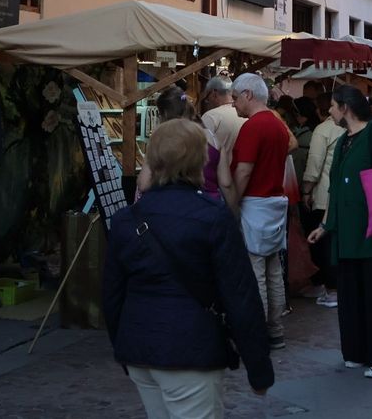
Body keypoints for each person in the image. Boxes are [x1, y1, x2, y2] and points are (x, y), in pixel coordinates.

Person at [104, 120, 273, 416]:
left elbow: (112, 294)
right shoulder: (213, 217)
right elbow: (241, 296)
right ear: (199, 159)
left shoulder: (126, 219)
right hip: (190, 347)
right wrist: (259, 369)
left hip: (141, 346)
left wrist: (123, 345)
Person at [306, 86, 372, 378]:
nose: (329, 111)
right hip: (349, 235)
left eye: (332, 106)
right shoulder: (343, 142)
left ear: (346, 108)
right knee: (353, 294)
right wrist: (325, 225)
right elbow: (335, 187)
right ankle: (357, 350)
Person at [229, 73, 291, 349]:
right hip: (275, 203)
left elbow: (243, 171)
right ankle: (275, 330)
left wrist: (232, 203)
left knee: (256, 273)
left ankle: (258, 335)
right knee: (273, 270)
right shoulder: (278, 126)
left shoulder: (253, 127)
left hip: (254, 204)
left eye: (235, 98)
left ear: (248, 95)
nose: (233, 104)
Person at [300, 92, 341, 309]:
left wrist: (306, 190)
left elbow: (314, 166)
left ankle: (332, 290)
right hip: (342, 196)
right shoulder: (351, 129)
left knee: (326, 245)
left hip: (324, 195)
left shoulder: (323, 130)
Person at [201, 76, 245, 206]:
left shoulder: (211, 116)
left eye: (207, 96)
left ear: (214, 93)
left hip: (218, 182)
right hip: (242, 180)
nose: (207, 100)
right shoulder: (245, 115)